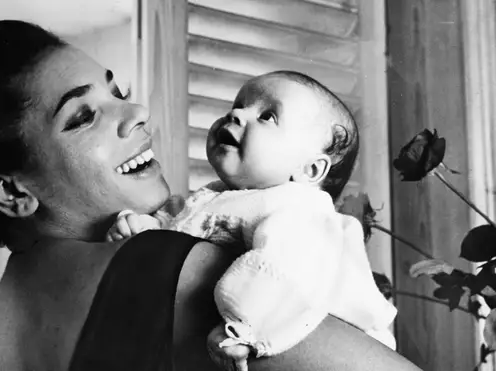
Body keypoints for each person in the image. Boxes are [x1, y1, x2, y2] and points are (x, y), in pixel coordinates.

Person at [0, 20, 422, 371]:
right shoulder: (170, 267)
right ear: (11, 191)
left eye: (116, 90)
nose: (137, 112)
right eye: (83, 116)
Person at [106, 71, 397, 370]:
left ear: (310, 170)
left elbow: (291, 268)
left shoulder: (301, 209)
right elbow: (184, 236)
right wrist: (147, 230)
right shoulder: (218, 197)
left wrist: (245, 325)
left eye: (268, 116)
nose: (236, 113)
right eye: (239, 103)